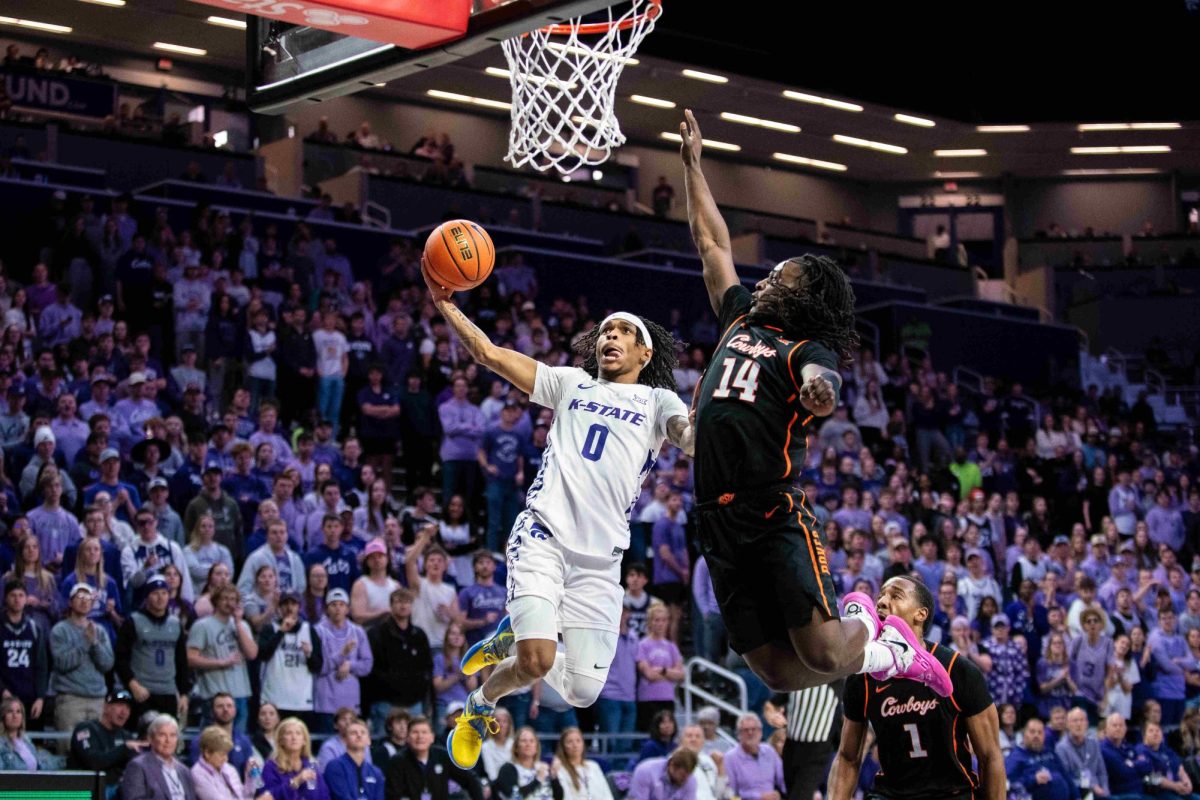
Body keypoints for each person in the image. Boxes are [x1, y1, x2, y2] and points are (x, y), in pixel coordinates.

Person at [679, 110, 947, 696]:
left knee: (824, 651)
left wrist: (823, 394)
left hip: (771, 510)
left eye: (782, 274)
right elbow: (712, 243)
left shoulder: (805, 346)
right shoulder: (740, 315)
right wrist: (693, 168)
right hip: (715, 516)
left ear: (804, 295)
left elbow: (822, 382)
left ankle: (881, 633)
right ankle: (884, 657)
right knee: (776, 672)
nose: (769, 275)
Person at [429, 259, 695, 769]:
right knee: (537, 661)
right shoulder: (570, 383)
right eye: (605, 331)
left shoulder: (659, 399)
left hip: (600, 562)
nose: (610, 337)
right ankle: (479, 707)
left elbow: (690, 440)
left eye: (624, 332)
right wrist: (445, 303)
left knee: (582, 691)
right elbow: (487, 354)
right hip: (544, 536)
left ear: (646, 351)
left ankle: (516, 631)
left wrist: (706, 425)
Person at [829, 576, 1004, 800]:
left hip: (951, 793)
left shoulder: (957, 669)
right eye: (880, 595)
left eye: (895, 595)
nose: (881, 601)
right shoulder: (862, 677)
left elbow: (990, 756)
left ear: (920, 614)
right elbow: (847, 757)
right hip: (890, 794)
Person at [115, 575, 191, 720]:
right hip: (142, 692)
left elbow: (181, 662)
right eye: (155, 593)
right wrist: (133, 684)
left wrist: (183, 694)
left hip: (168, 692)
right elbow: (121, 657)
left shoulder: (175, 624)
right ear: (147, 597)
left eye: (164, 593)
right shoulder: (133, 621)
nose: (160, 597)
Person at [187, 585, 258, 731]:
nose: (229, 603)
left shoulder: (242, 625)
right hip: (214, 695)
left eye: (233, 599)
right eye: (224, 598)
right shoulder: (202, 626)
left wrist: (238, 623)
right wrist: (221, 663)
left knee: (237, 743)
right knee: (214, 743)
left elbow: (252, 654)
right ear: (216, 601)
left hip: (240, 694)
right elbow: (190, 658)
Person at [365, 587, 433, 735]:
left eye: (407, 602)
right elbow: (371, 669)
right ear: (391, 605)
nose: (403, 606)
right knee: (383, 747)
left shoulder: (419, 635)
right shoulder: (376, 633)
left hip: (414, 702)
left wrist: (420, 689)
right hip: (385, 702)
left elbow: (427, 668)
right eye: (399, 602)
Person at [52, 582, 115, 738]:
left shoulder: (99, 631)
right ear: (70, 602)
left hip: (97, 700)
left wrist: (94, 643)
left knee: (97, 753)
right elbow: (62, 663)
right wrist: (85, 643)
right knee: (68, 751)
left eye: (88, 597)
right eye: (79, 597)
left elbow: (107, 664)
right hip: (70, 700)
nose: (84, 600)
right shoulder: (60, 630)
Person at [763, 683, 841, 800]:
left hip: (817, 750)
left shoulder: (838, 682)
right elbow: (771, 705)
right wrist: (772, 716)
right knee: (792, 794)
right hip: (791, 747)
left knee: (799, 796)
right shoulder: (797, 679)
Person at [382, 715, 484, 800]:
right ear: (407, 737)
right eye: (415, 732)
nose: (420, 736)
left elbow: (471, 780)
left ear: (432, 737)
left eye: (424, 732)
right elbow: (393, 796)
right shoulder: (397, 761)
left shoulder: (442, 755)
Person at [258, 590, 322, 720]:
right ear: (280, 607)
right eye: (285, 603)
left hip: (301, 700)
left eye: (293, 603)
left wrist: (309, 654)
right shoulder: (270, 629)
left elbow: (317, 667)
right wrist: (281, 632)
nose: (289, 607)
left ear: (299, 607)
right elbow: (263, 655)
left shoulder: (309, 630)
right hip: (273, 699)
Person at [315, 588, 374, 731]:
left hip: (351, 703)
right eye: (333, 604)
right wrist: (343, 654)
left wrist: (350, 665)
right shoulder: (318, 631)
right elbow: (320, 666)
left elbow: (367, 664)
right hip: (326, 703)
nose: (337, 609)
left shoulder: (358, 631)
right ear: (327, 608)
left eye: (342, 605)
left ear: (348, 608)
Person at [0, 580, 49, 726]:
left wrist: (40, 697)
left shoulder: (34, 628)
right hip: (4, 697)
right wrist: (2, 690)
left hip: (30, 699)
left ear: (26, 599)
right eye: (13, 595)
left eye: (21, 595)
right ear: (5, 598)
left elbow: (42, 666)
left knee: (32, 745)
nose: (17, 599)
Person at [121, 715, 198, 800]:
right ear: (150, 738)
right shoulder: (138, 766)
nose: (168, 740)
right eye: (162, 735)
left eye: (172, 735)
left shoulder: (184, 771)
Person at [1005, 718, 1076, 800]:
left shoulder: (1050, 753)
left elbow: (1065, 776)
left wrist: (1077, 797)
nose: (1036, 735)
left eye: (1040, 732)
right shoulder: (1016, 756)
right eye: (1032, 732)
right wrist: (1033, 779)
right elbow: (1008, 784)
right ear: (1024, 734)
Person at [637, 605, 684, 727]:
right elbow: (649, 675)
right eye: (657, 620)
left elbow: (681, 675)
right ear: (650, 622)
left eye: (664, 620)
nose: (660, 624)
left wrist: (662, 670)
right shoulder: (642, 645)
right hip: (648, 699)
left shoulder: (671, 646)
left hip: (667, 697)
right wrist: (670, 674)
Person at [262, 717, 330, 800]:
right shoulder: (271, 767)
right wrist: (296, 781)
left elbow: (324, 796)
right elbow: (267, 796)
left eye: (298, 733)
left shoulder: (312, 766)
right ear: (281, 740)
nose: (294, 737)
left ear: (304, 740)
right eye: (289, 733)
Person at [723, 712, 786, 800]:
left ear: (760, 732)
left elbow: (783, 780)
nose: (750, 733)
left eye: (754, 729)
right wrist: (758, 797)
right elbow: (730, 794)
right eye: (746, 730)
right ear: (738, 734)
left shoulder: (769, 751)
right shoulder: (730, 757)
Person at [494, 725, 564, 800]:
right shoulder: (508, 769)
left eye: (532, 741)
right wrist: (537, 780)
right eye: (523, 741)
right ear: (516, 748)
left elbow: (559, 797)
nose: (528, 744)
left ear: (536, 748)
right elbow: (513, 797)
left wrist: (554, 777)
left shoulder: (544, 767)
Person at [1054, 707, 1109, 800]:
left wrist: (1105, 791)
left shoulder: (1094, 743)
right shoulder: (1061, 748)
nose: (1078, 724)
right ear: (1067, 724)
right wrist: (1092, 787)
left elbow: (1102, 772)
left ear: (1087, 724)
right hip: (1077, 794)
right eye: (1075, 721)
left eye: (1082, 720)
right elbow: (1066, 779)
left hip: (1098, 794)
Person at [324, 718, 385, 800]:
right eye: (353, 733)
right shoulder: (334, 766)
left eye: (363, 733)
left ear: (369, 740)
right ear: (345, 740)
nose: (359, 735)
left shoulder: (376, 772)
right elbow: (341, 797)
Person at [191, 726, 255, 800]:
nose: (226, 759)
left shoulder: (229, 768)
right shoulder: (198, 774)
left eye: (226, 754)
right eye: (222, 754)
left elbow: (245, 797)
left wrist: (250, 778)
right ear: (207, 753)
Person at [0, 695, 59, 770]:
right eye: (10, 711)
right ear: (3, 716)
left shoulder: (27, 742)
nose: (15, 715)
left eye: (18, 712)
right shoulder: (1, 745)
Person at [554, 726, 613, 800]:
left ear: (583, 744)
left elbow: (606, 794)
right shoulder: (560, 769)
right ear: (563, 747)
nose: (575, 745)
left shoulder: (594, 766)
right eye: (569, 742)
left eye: (578, 741)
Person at [350, 538, 399, 626]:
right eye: (372, 557)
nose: (377, 560)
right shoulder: (361, 584)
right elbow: (358, 617)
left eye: (380, 556)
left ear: (387, 559)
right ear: (367, 561)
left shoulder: (395, 585)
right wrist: (381, 613)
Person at [628, 749, 699, 800]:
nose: (686, 779)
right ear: (672, 765)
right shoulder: (645, 771)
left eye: (689, 774)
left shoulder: (690, 780)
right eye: (682, 775)